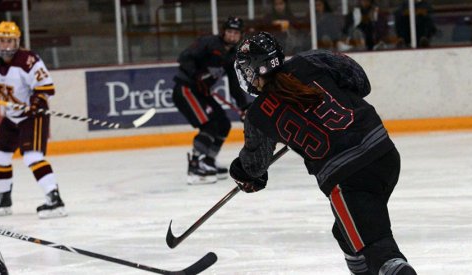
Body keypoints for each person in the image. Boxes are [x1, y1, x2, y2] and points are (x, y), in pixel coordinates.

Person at [231, 32, 417, 275]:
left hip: (349, 178)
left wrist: (242, 172)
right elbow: (361, 82)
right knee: (345, 234)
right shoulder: (310, 61)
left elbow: (254, 166)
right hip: (384, 153)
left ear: (254, 69)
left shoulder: (259, 114)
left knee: (378, 251)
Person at [0, 21, 66, 219]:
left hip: (33, 116)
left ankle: (55, 199)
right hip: (11, 115)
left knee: (31, 157)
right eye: (2, 41)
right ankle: (4, 199)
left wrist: (35, 102)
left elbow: (47, 87)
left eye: (10, 41)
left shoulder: (28, 60)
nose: (6, 45)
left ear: (17, 41)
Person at [172, 16, 249, 185]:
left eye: (236, 33)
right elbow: (184, 57)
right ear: (223, 32)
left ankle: (208, 161)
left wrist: (244, 106)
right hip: (186, 89)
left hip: (201, 92)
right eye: (229, 31)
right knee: (210, 125)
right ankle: (195, 166)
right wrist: (196, 75)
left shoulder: (232, 56)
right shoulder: (208, 43)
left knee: (223, 123)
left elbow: (234, 84)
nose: (232, 35)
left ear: (240, 35)